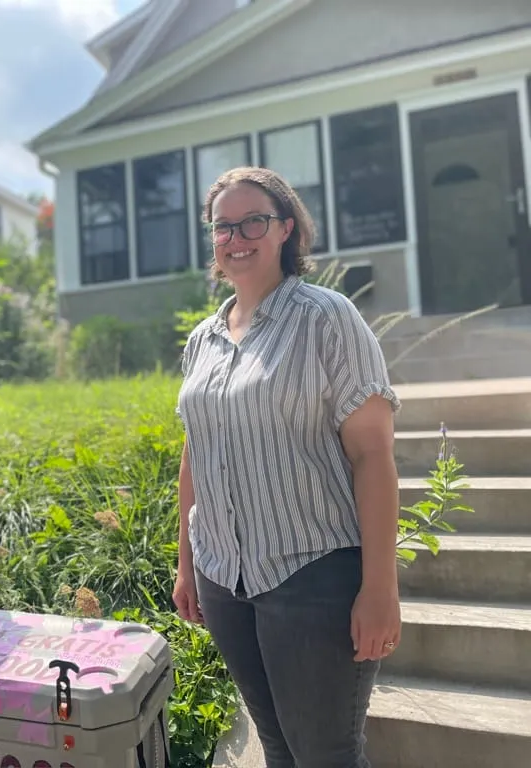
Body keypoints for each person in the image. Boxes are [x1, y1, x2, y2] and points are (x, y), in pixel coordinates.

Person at [172, 166, 402, 768]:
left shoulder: (327, 318)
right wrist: (188, 565)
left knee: (325, 756)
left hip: (313, 576)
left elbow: (372, 454)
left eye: (254, 220)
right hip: (226, 577)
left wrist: (380, 587)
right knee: (277, 749)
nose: (236, 236)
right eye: (223, 225)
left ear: (286, 230)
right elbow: (196, 451)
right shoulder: (204, 339)